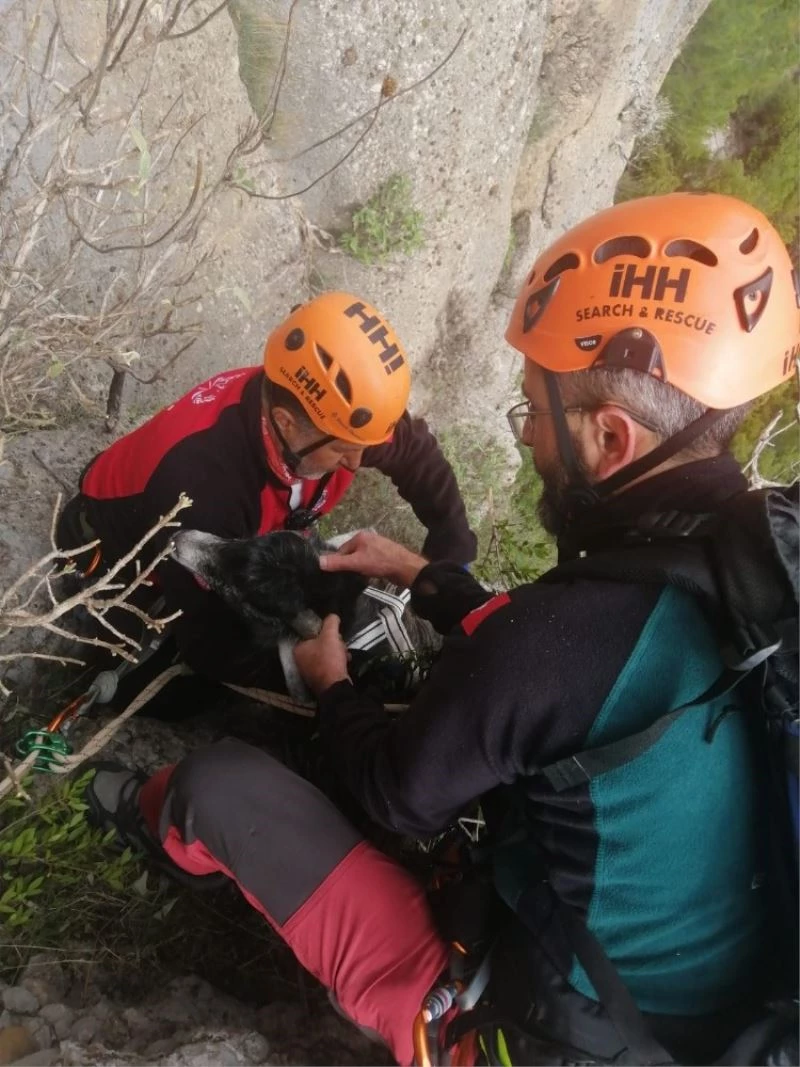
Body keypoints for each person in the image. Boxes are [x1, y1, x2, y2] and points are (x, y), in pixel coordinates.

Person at [82, 192, 799, 1065]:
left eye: (534, 410)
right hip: (716, 999)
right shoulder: (756, 569)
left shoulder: (556, 639)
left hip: (543, 1032)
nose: (528, 432)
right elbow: (567, 669)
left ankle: (139, 816)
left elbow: (397, 791)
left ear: (611, 436)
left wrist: (327, 677)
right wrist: (431, 579)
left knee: (220, 784)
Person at [57, 291, 476, 686]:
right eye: (345, 452)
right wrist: (319, 677)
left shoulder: (337, 421)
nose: (356, 462)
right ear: (286, 423)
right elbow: (209, 644)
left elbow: (416, 456)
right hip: (121, 555)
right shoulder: (201, 492)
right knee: (170, 690)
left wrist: (452, 560)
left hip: (235, 521)